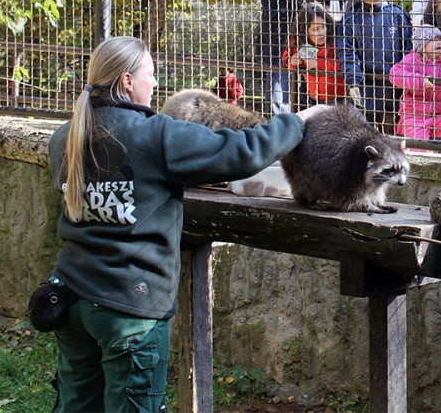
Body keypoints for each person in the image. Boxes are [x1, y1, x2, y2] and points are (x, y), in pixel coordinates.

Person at [45, 36, 328, 412]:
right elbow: (240, 152)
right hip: (128, 306)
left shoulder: (64, 136)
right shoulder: (155, 134)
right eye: (151, 75)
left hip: (70, 296)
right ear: (128, 81)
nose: (157, 84)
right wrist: (296, 122)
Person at [336, 0, 412, 133]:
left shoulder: (398, 15)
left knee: (392, 133)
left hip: (394, 87)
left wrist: (406, 78)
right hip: (365, 88)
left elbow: (408, 50)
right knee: (364, 132)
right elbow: (347, 53)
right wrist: (353, 81)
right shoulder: (350, 20)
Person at [389, 24, 441, 142]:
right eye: (433, 40)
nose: (439, 43)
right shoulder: (412, 60)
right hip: (415, 117)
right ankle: (418, 156)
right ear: (422, 45)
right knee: (417, 145)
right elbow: (395, 74)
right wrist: (421, 81)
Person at [283, 2, 347, 105]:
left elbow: (347, 64)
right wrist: (292, 62)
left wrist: (320, 64)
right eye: (315, 29)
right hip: (313, 98)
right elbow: (286, 58)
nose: (322, 32)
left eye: (323, 27)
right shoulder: (300, 42)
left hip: (339, 98)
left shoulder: (336, 41)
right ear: (305, 31)